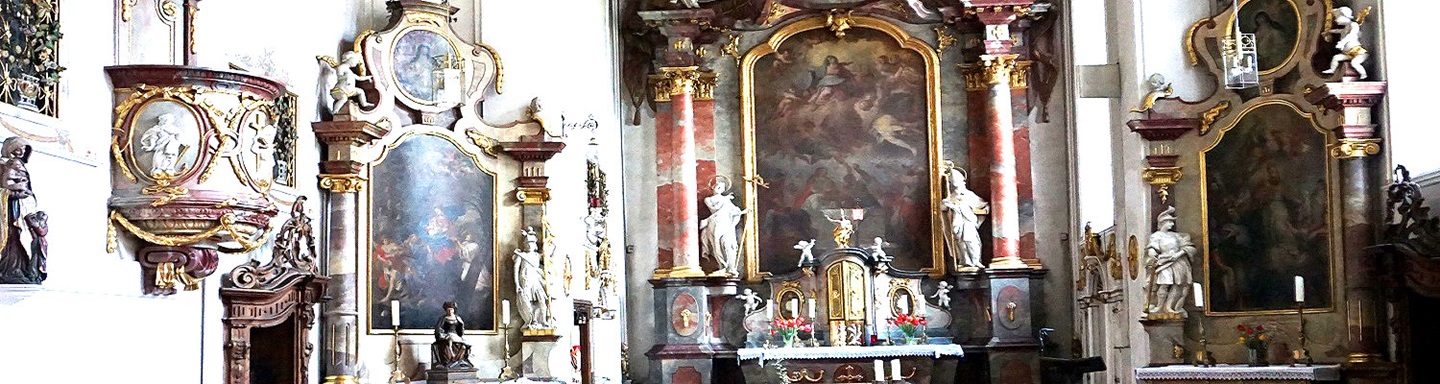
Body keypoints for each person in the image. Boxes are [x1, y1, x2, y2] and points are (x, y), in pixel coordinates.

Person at [0, 137, 44, 284]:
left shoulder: (19, 165)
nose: (21, 152)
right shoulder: (4, 164)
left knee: (23, 235)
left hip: (21, 205)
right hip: (9, 206)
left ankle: (21, 268)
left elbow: (26, 185)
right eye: (18, 149)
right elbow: (6, 183)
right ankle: (10, 269)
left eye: (24, 150)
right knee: (12, 234)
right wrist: (16, 190)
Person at [1145, 206, 1198, 317]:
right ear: (1163, 222)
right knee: (1164, 284)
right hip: (1165, 261)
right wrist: (1152, 253)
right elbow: (1152, 247)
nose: (1172, 224)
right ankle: (1159, 306)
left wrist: (1179, 254)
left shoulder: (1176, 236)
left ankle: (1169, 306)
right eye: (1170, 222)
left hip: (1178, 262)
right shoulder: (1156, 236)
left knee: (1178, 285)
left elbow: (1189, 247)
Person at [699, 176, 748, 276]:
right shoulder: (708, 199)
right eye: (717, 186)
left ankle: (730, 267)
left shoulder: (726, 200)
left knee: (729, 244)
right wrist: (725, 199)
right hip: (715, 223)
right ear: (713, 187)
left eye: (721, 187)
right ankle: (722, 266)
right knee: (716, 245)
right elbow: (714, 208)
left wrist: (743, 212)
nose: (719, 188)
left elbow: (734, 210)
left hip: (726, 223)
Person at [940, 166, 986, 270]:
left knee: (971, 241)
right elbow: (942, 208)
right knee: (960, 242)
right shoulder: (949, 197)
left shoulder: (969, 195)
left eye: (959, 183)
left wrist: (985, 210)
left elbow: (982, 205)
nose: (957, 186)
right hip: (957, 224)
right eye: (954, 184)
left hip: (968, 222)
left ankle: (975, 261)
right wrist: (947, 205)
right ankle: (965, 261)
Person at [514, 227, 552, 330]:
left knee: (542, 301)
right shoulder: (521, 256)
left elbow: (548, 254)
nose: (530, 245)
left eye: (532, 243)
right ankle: (532, 320)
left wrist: (550, 240)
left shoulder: (537, 256)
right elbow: (516, 271)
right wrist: (517, 284)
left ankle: (543, 320)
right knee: (528, 302)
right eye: (528, 243)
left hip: (536, 281)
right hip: (526, 281)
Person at [138, 113, 189, 177]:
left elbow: (180, 137)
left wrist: (181, 139)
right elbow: (153, 137)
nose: (166, 122)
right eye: (165, 120)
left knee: (171, 157)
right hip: (161, 147)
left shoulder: (174, 129)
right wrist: (151, 146)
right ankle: (158, 168)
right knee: (159, 157)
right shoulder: (158, 129)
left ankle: (169, 169)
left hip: (173, 147)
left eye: (168, 120)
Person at [431, 301, 473, 369]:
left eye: (451, 309)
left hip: (456, 336)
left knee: (464, 346)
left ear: (454, 310)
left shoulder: (457, 318)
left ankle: (458, 360)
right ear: (446, 310)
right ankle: (448, 361)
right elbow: (439, 329)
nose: (450, 311)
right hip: (446, 335)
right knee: (448, 343)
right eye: (448, 309)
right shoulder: (443, 319)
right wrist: (442, 336)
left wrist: (460, 332)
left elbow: (460, 328)